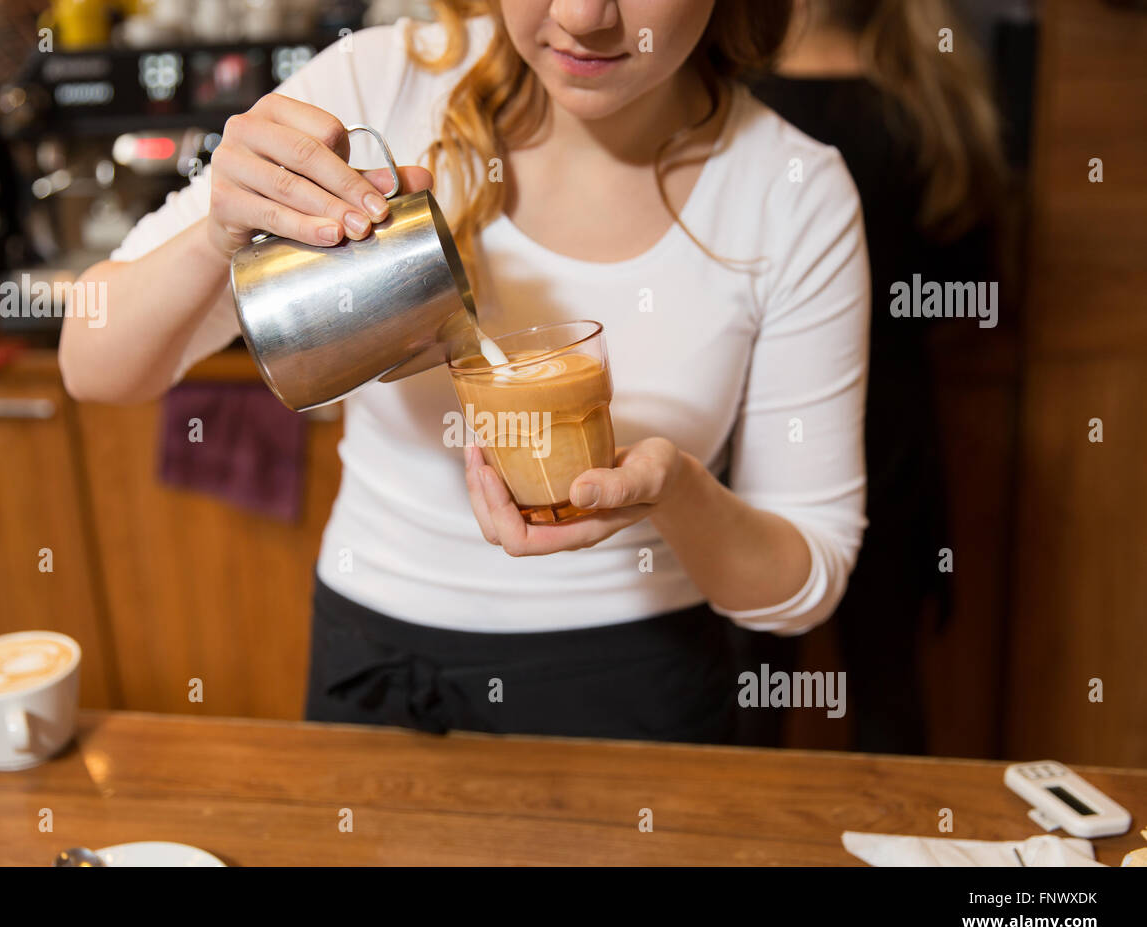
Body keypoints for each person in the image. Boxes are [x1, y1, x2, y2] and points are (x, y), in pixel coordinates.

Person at [59, 0, 871, 744]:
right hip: (374, 668)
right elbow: (93, 364)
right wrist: (216, 236)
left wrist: (680, 494)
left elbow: (807, 582)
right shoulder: (377, 84)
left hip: (638, 689)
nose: (583, 16)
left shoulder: (792, 190)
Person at [734, 0, 1007, 753]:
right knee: (888, 685)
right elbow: (974, 293)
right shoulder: (935, 106)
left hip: (757, 434)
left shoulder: (736, 112)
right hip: (892, 431)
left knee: (751, 686)